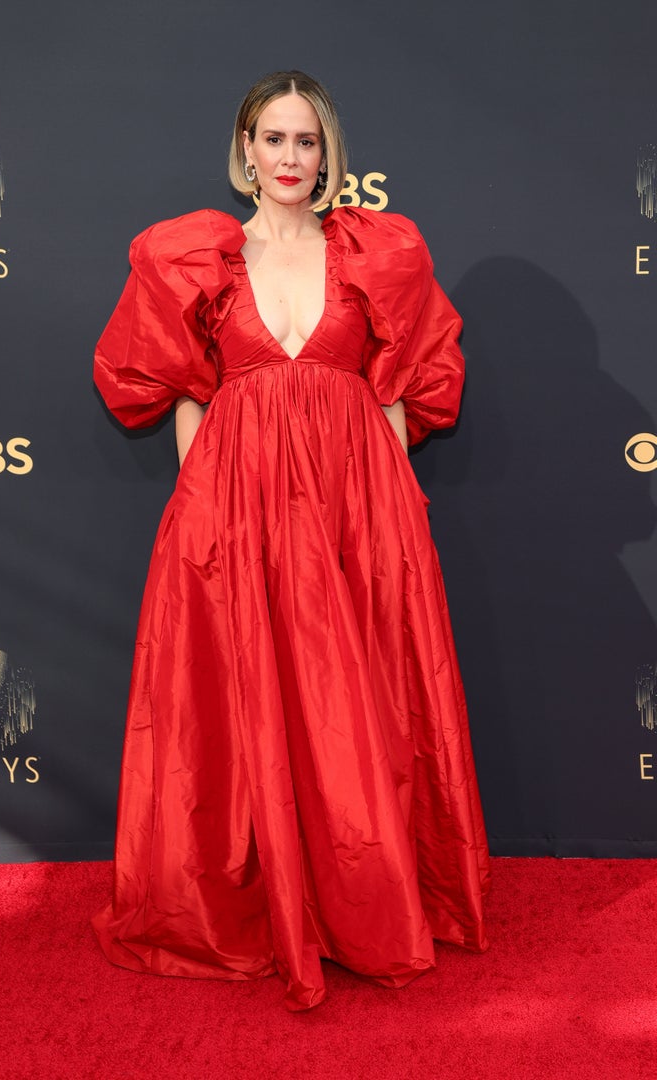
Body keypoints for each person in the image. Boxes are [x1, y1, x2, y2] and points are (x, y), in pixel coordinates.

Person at [92, 70, 490, 1011]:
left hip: (359, 512)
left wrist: (397, 518)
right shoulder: (199, 256)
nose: (290, 159)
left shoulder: (377, 251)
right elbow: (186, 389)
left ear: (328, 155)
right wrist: (201, 511)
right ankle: (264, 904)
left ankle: (369, 902)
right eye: (273, 140)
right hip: (239, 508)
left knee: (362, 703)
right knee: (249, 705)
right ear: (244, 150)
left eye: (306, 143)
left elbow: (399, 390)